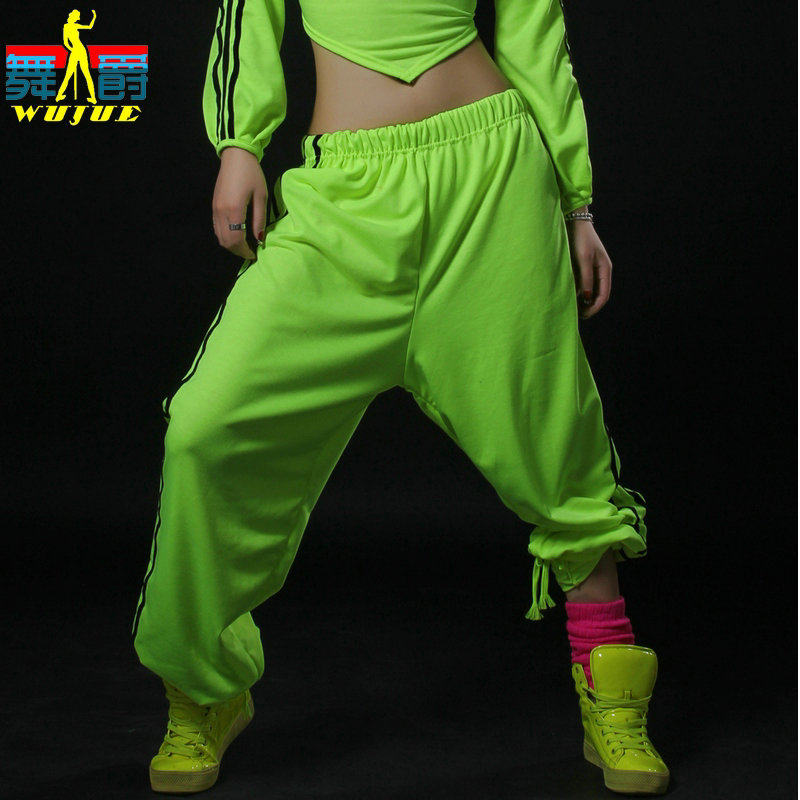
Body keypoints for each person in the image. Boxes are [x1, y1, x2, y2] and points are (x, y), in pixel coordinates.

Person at [131, 0, 670, 795]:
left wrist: (575, 203)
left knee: (558, 447)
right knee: (204, 428)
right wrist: (241, 143)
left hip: (493, 180)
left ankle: (612, 695)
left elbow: (534, 32)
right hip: (345, 201)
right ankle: (204, 686)